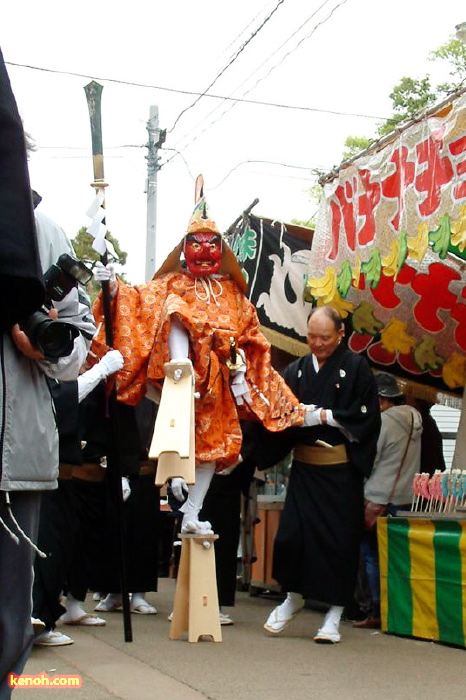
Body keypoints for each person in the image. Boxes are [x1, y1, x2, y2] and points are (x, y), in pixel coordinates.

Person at [92, 175, 307, 536]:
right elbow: (137, 301)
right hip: (179, 378)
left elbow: (251, 334)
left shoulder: (234, 294)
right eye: (197, 242)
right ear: (184, 247)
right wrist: (112, 285)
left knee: (215, 446)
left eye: (212, 243)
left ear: (221, 248)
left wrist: (239, 368)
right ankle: (180, 367)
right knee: (174, 307)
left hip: (219, 383)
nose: (205, 250)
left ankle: (192, 512)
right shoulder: (173, 284)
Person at [0, 49, 93, 699]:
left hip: (16, 449)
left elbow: (78, 340)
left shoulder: (42, 230)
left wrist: (48, 341)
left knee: (8, 616)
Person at [260, 306, 381, 644]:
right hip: (304, 470)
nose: (317, 344)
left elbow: (366, 417)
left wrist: (325, 416)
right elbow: (278, 412)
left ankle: (334, 614)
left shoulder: (356, 367)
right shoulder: (296, 370)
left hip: (340, 472)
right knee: (291, 539)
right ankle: (293, 597)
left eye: (325, 338)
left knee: (337, 544)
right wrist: (294, 418)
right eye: (312, 337)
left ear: (340, 335)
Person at [32, 350, 125, 647]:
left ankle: (55, 611)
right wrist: (98, 371)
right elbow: (61, 398)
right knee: (45, 547)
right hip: (40, 472)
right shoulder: (40, 366)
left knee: (66, 543)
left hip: (67, 476)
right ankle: (36, 617)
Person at [353, 371, 422, 630]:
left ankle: (375, 609)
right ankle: (398, 610)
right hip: (405, 498)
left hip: (378, 498)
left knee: (371, 555)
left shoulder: (382, 422)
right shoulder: (416, 421)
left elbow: (370, 460)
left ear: (382, 400)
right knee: (397, 556)